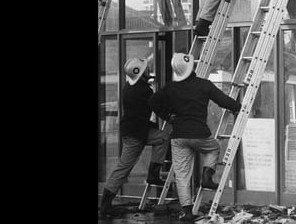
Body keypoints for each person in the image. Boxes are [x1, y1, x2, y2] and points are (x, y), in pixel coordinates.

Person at [149, 53, 242, 222]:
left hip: (178, 137)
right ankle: (207, 175)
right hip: (200, 134)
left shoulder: (170, 87)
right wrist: (239, 107)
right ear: (192, 67)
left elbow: (153, 101)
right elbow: (224, 101)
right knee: (213, 148)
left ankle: (188, 212)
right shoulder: (203, 85)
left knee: (182, 176)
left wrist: (167, 116)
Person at [99, 58, 172, 219]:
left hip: (137, 130)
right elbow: (155, 105)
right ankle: (105, 206)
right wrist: (169, 115)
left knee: (162, 137)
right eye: (146, 69)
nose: (149, 70)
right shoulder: (144, 90)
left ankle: (153, 174)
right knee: (123, 168)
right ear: (140, 73)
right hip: (136, 134)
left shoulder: (130, 86)